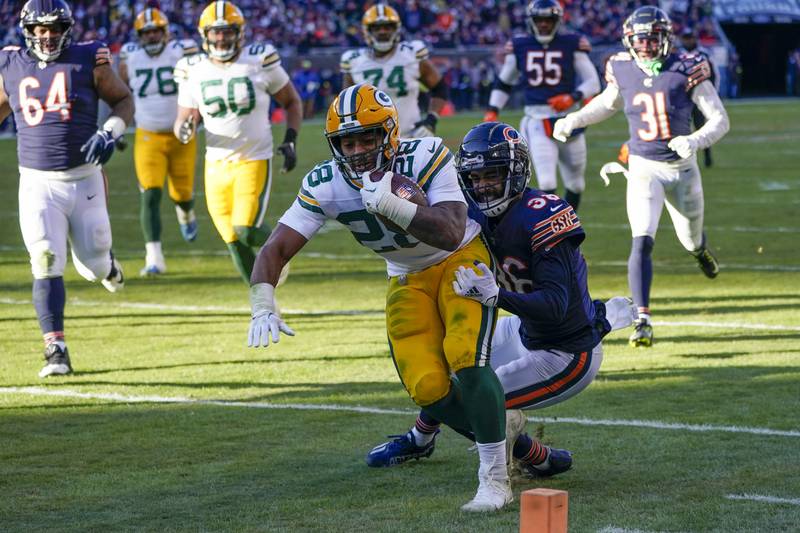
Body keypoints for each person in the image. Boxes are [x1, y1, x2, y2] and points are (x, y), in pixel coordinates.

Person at [248, 84, 512, 513]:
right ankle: (518, 444)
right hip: (406, 275)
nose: (356, 150)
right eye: (346, 141)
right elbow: (275, 249)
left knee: (464, 355)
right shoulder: (327, 183)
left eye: (366, 138)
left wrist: (394, 206)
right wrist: (263, 302)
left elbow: (448, 229)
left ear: (388, 134)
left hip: (461, 257)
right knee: (426, 386)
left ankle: (495, 478)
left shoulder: (426, 154)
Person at [366, 122, 637, 479]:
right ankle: (422, 438)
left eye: (492, 175)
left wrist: (497, 297)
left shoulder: (543, 214)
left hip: (566, 352)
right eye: (474, 178)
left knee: (475, 400)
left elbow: (555, 306)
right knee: (448, 361)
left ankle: (535, 456)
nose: (482, 186)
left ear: (517, 171)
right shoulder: (472, 210)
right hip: (527, 331)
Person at [553, 6, 729, 348]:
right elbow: (607, 103)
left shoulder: (687, 67)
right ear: (629, 41)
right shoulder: (621, 67)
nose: (646, 45)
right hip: (644, 167)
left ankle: (700, 252)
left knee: (690, 238)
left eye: (652, 39)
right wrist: (574, 119)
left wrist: (694, 140)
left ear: (666, 39)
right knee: (641, 238)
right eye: (640, 39)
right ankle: (643, 320)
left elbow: (720, 120)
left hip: (682, 170)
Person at [0, 0, 131, 377]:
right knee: (44, 260)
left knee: (92, 264)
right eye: (40, 29)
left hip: (84, 178)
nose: (47, 35)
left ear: (66, 28)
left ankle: (107, 267)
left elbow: (122, 100)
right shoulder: (10, 64)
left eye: (54, 28)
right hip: (37, 183)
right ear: (28, 31)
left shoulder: (89, 57)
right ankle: (55, 348)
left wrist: (110, 131)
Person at [173, 1, 302, 283]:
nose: (222, 38)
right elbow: (185, 116)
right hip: (215, 164)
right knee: (233, 240)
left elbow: (292, 101)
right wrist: (184, 128)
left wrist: (290, 139)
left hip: (254, 158)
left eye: (228, 32)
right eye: (216, 33)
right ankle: (263, 303)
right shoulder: (191, 68)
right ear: (204, 35)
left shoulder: (258, 59)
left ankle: (282, 251)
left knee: (245, 229)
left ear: (240, 33)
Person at [484, 0, 600, 211]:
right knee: (547, 182)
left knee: (576, 183)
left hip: (569, 119)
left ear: (557, 21)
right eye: (539, 20)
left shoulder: (571, 43)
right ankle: (551, 225)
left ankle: (567, 222)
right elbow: (504, 81)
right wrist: (493, 109)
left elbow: (593, 81)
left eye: (548, 20)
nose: (544, 24)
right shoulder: (520, 46)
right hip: (537, 120)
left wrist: (572, 97)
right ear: (531, 21)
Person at [119, 7, 200, 277]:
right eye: (147, 32)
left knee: (183, 195)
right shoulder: (129, 56)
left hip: (182, 136)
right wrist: (117, 125)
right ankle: (154, 257)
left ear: (165, 33)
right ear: (139, 36)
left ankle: (186, 213)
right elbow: (119, 92)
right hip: (148, 135)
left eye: (156, 31)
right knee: (150, 193)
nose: (152, 36)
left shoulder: (183, 51)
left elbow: (200, 85)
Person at [340, 3, 448, 137]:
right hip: (372, 142)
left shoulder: (411, 54)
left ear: (396, 29)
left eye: (388, 27)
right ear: (367, 31)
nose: (382, 32)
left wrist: (431, 120)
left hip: (412, 137)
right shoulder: (354, 61)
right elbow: (346, 106)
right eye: (376, 28)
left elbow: (440, 88)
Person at [679, 26, 719, 168]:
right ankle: (685, 160)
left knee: (701, 128)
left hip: (700, 98)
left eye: (690, 38)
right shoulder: (677, 54)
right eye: (686, 38)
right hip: (682, 99)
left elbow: (714, 74)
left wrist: (713, 94)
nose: (689, 41)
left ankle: (708, 156)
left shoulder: (704, 54)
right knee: (681, 129)